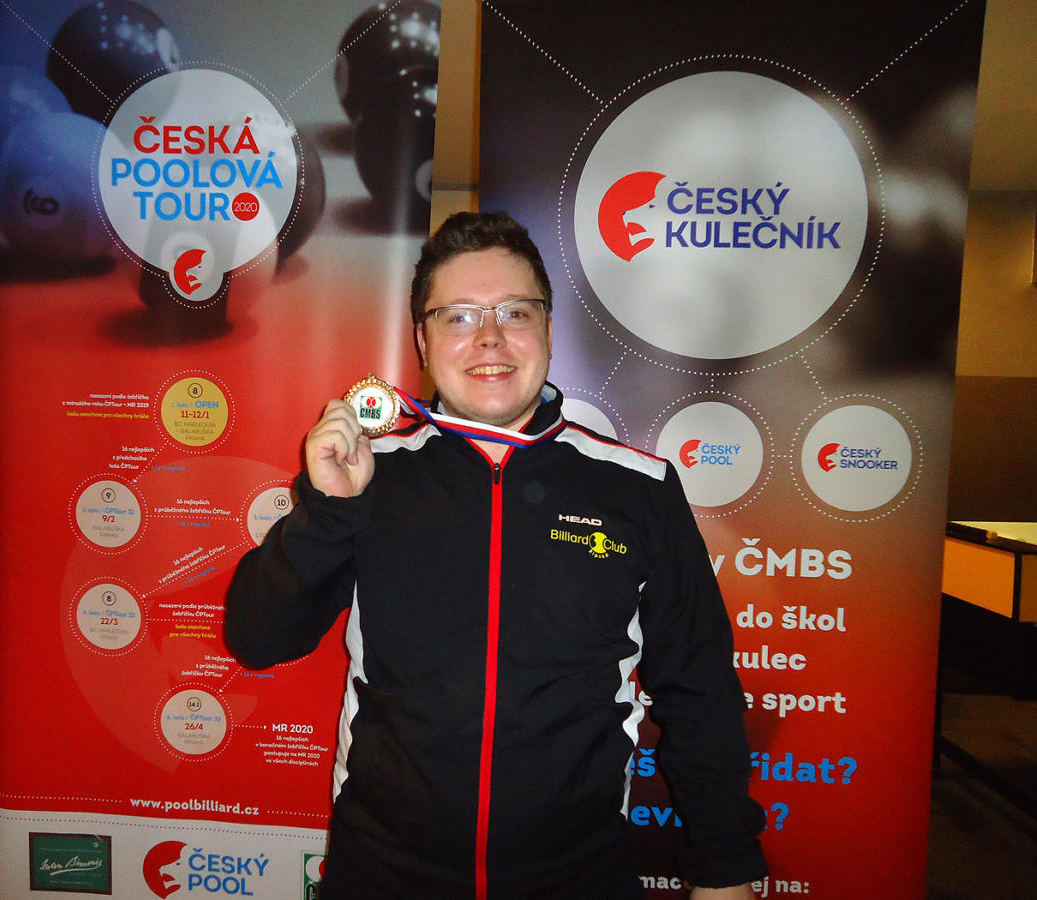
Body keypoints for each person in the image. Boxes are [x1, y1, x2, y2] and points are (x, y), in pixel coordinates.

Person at [225, 212, 767, 897]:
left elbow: (699, 691)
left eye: (515, 312)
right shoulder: (372, 476)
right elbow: (258, 638)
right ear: (422, 340)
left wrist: (726, 870)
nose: (489, 337)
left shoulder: (639, 488)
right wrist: (327, 513)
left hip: (578, 880)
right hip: (384, 876)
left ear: (548, 330)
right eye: (457, 316)